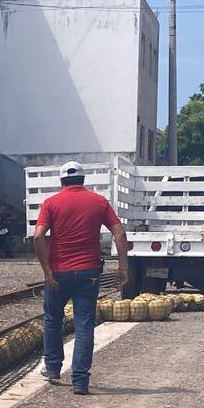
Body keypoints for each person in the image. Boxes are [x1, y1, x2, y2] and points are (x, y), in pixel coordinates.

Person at [33, 161, 131, 395]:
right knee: (84, 324)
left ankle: (53, 368)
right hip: (88, 272)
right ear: (83, 180)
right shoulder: (98, 202)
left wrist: (47, 270)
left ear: (61, 181)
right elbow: (119, 232)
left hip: (58, 272)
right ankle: (80, 380)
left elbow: (38, 236)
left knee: (52, 319)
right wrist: (123, 268)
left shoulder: (51, 203)